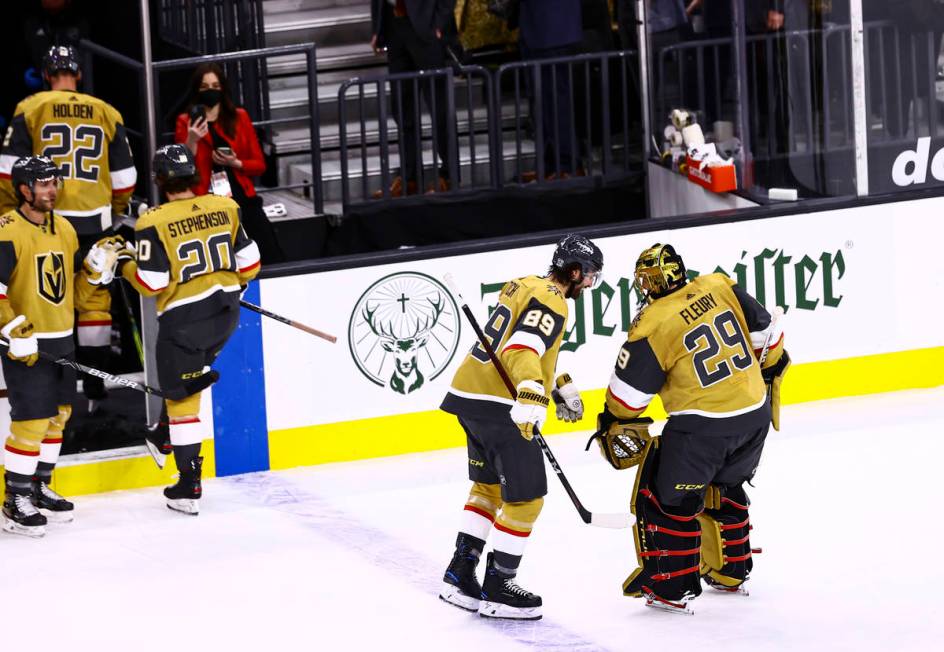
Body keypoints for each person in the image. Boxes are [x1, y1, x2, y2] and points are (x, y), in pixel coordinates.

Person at [591, 243, 790, 613]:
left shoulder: (653, 323)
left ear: (648, 283)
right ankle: (732, 571)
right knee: (726, 486)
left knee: (667, 501)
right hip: (754, 416)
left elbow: (627, 401)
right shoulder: (718, 284)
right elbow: (769, 338)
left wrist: (610, 421)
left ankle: (672, 586)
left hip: (701, 431)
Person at [438, 233, 603, 620]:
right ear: (574, 271)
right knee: (527, 499)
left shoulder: (525, 284)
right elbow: (522, 348)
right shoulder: (554, 299)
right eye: (590, 276)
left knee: (487, 488)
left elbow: (520, 343)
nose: (590, 284)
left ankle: (459, 574)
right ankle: (499, 586)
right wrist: (531, 393)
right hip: (501, 407)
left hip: (470, 395)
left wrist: (555, 385)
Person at [118, 144, 260, 515]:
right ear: (193, 174)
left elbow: (152, 283)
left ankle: (187, 483)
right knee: (186, 379)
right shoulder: (225, 206)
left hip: (184, 321)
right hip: (226, 315)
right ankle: (163, 434)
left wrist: (123, 264)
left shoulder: (152, 220)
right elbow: (251, 264)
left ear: (159, 179)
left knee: (182, 398)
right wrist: (233, 284)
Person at [0, 44, 138, 407]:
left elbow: (6, 170)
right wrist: (115, 214)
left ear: (46, 75)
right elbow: (125, 178)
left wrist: (11, 214)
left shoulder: (31, 107)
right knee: (93, 301)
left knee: (43, 299)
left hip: (44, 222)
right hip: (95, 222)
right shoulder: (107, 112)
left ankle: (51, 382)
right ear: (78, 74)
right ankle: (93, 383)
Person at [1, 156, 118, 537]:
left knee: (59, 416)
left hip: (62, 340)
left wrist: (95, 277)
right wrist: (13, 331)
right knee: (31, 420)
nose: (53, 190)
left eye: (55, 182)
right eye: (44, 184)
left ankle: (38, 485)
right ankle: (14, 500)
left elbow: (74, 296)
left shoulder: (65, 229)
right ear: (24, 189)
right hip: (26, 343)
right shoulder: (6, 230)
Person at [175, 62, 283, 263]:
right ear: (197, 90)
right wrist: (191, 140)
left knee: (269, 250)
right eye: (205, 86)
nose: (211, 91)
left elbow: (259, 164)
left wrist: (236, 162)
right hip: (206, 202)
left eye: (215, 86)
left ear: (223, 88)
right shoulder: (185, 121)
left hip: (241, 195)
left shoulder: (239, 117)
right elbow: (182, 170)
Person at [369, 0, 456, 197]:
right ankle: (410, 178)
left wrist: (438, 24)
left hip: (425, 28)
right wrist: (377, 28)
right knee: (403, 108)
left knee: (439, 106)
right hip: (393, 26)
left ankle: (449, 176)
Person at [518, 0, 583, 178]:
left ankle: (567, 165)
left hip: (554, 28)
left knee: (556, 101)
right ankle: (548, 165)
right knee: (540, 103)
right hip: (535, 27)